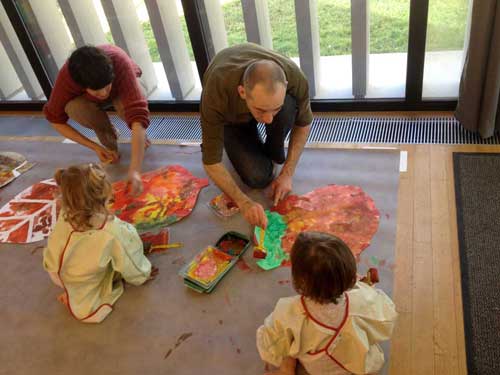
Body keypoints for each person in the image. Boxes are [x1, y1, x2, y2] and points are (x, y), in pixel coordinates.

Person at [200, 43, 313, 229]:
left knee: (286, 114)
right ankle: (247, 137)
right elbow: (211, 161)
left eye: (274, 109)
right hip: (232, 119)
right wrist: (243, 202)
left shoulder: (294, 77)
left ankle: (273, 144)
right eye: (261, 111)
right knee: (258, 178)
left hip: (261, 99)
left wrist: (287, 173)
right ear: (242, 92)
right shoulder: (216, 93)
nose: (268, 120)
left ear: (285, 85)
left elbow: (304, 122)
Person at [256, 232, 397, 375]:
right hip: (358, 365)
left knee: (287, 344)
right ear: (351, 276)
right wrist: (365, 288)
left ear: (299, 280)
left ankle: (286, 370)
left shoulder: (289, 312)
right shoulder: (363, 299)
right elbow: (387, 319)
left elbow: (269, 344)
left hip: (319, 369)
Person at [43, 163, 158, 323]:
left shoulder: (66, 212)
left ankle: (71, 290)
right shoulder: (110, 229)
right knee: (124, 247)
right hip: (82, 281)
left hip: (55, 271)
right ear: (106, 193)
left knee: (102, 251)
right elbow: (128, 256)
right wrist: (143, 273)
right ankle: (74, 295)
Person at [44, 45, 150, 195]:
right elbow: (54, 119)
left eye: (107, 87)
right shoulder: (67, 78)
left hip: (124, 87)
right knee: (76, 108)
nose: (103, 93)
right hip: (88, 101)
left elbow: (138, 112)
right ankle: (109, 139)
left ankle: (140, 136)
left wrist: (135, 171)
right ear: (81, 85)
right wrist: (95, 147)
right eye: (96, 90)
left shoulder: (119, 62)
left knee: (128, 111)